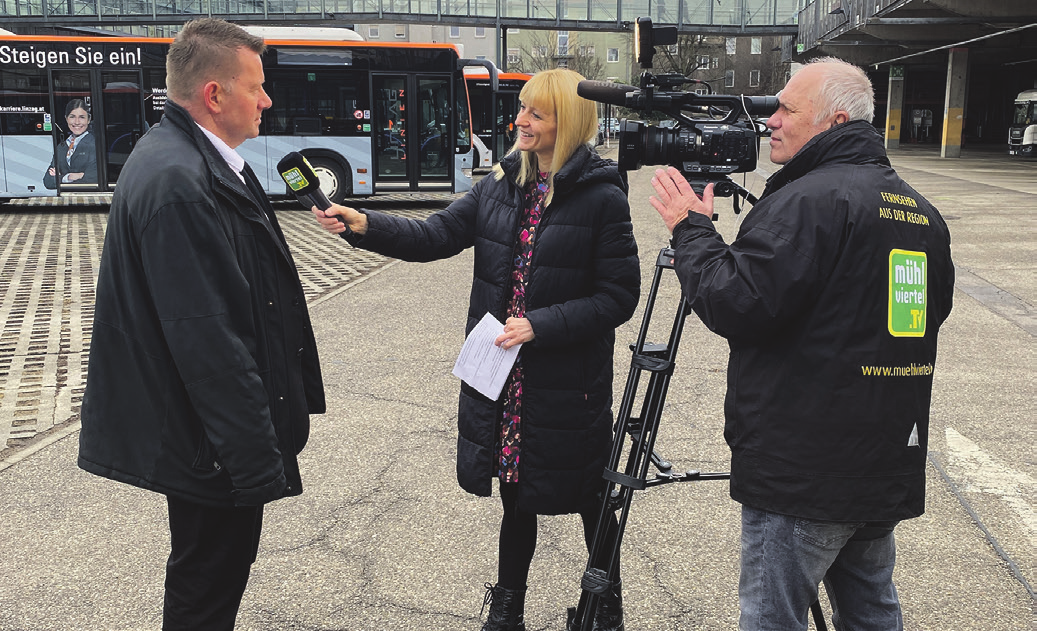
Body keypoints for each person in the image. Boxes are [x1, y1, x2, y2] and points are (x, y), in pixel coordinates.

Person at [312, 68, 640, 631]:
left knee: (591, 495)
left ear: (569, 120)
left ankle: (605, 607)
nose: (520, 121)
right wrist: (363, 222)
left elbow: (618, 297)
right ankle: (507, 607)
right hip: (505, 377)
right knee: (516, 495)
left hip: (568, 380)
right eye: (521, 109)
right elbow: (435, 234)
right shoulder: (500, 183)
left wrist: (541, 324)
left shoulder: (601, 197)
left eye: (536, 113)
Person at [649, 57, 954, 631]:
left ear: (833, 120)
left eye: (787, 108)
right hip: (881, 462)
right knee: (872, 612)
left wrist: (692, 229)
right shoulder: (922, 213)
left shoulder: (808, 202)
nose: (772, 121)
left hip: (804, 472)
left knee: (772, 618)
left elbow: (735, 302)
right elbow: (924, 317)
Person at [78, 18, 326, 631]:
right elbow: (208, 340)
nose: (267, 100)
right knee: (206, 588)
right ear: (215, 95)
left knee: (207, 578)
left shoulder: (193, 159)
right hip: (210, 445)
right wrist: (253, 462)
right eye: (257, 86)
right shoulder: (180, 182)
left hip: (207, 438)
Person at [44, 98, 98, 188]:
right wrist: (70, 177)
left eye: (82, 117)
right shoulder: (61, 147)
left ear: (89, 120)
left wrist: (60, 177)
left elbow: (93, 179)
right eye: (72, 117)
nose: (77, 122)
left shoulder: (95, 144)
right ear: (66, 119)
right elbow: (48, 181)